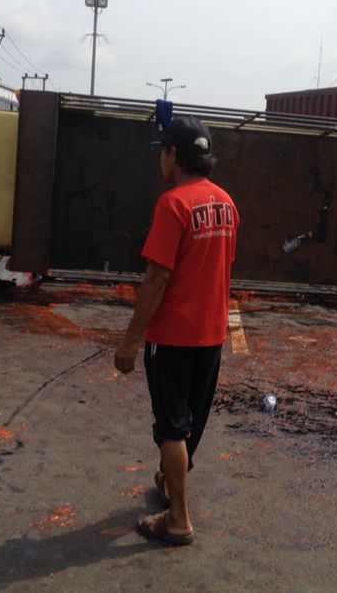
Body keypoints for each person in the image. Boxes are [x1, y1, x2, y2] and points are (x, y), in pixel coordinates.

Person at [114, 115, 240, 546]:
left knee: (172, 428)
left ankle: (178, 519)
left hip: (172, 338)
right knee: (190, 423)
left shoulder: (173, 204)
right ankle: (171, 485)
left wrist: (132, 338)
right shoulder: (226, 203)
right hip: (211, 336)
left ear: (173, 155)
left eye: (162, 153)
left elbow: (157, 278)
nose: (160, 161)